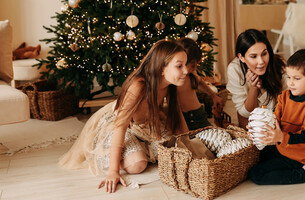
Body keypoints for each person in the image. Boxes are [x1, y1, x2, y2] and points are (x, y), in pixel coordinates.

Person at [59, 40, 189, 193]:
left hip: (146, 123)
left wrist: (188, 144)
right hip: (121, 125)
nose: (186, 71)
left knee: (174, 148)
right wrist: (113, 171)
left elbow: (177, 114)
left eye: (185, 65)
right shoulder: (139, 85)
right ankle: (118, 156)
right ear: (162, 67)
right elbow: (120, 126)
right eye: (179, 66)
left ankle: (142, 148)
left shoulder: (169, 85)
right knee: (138, 164)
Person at [248, 49, 305, 185]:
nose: (291, 83)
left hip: (298, 156)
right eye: (288, 77)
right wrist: (257, 130)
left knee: (257, 175)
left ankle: (304, 174)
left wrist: (281, 137)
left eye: (297, 78)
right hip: (281, 147)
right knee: (252, 156)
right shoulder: (284, 97)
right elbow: (273, 121)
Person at [226, 29, 285, 129]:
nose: (261, 61)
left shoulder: (278, 65)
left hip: (277, 116)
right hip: (250, 119)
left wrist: (263, 89)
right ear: (241, 57)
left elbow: (279, 107)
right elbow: (244, 113)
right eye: (254, 56)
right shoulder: (234, 69)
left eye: (264, 54)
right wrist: (253, 87)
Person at [176, 38, 224, 130]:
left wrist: (214, 96)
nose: (194, 69)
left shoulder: (191, 75)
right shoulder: (174, 80)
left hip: (199, 114)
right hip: (184, 118)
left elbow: (201, 82)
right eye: (193, 66)